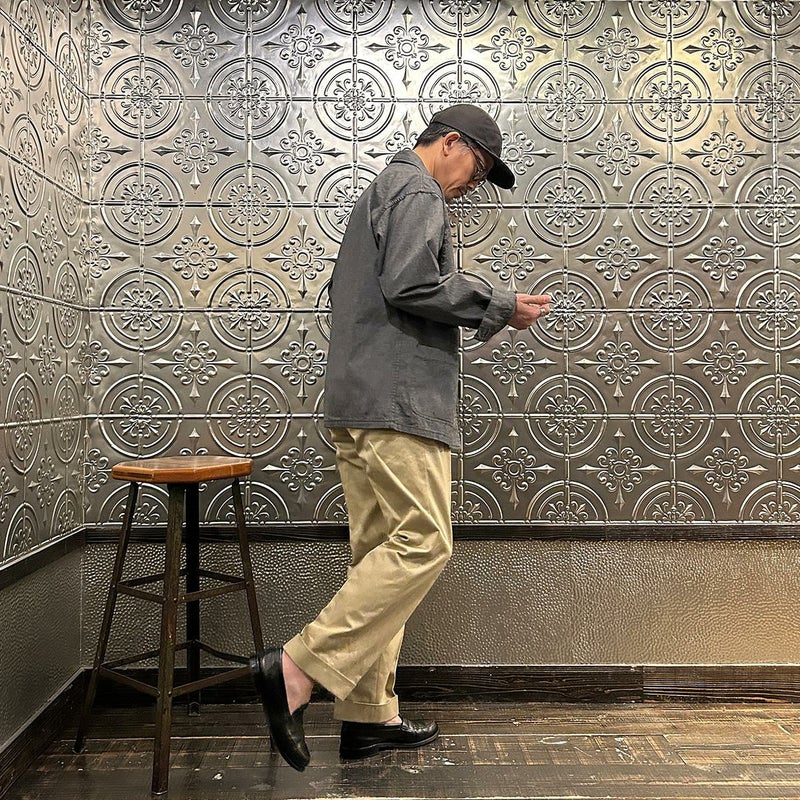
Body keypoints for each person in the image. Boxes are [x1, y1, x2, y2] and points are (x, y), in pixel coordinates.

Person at [250, 104, 551, 771]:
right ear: (451, 143)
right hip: (398, 401)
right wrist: (500, 305)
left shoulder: (381, 192)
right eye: (479, 166)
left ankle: (368, 716)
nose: (474, 184)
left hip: (359, 399)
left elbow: (356, 293)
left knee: (378, 556)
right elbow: (413, 282)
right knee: (423, 543)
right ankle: (297, 669)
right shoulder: (416, 189)